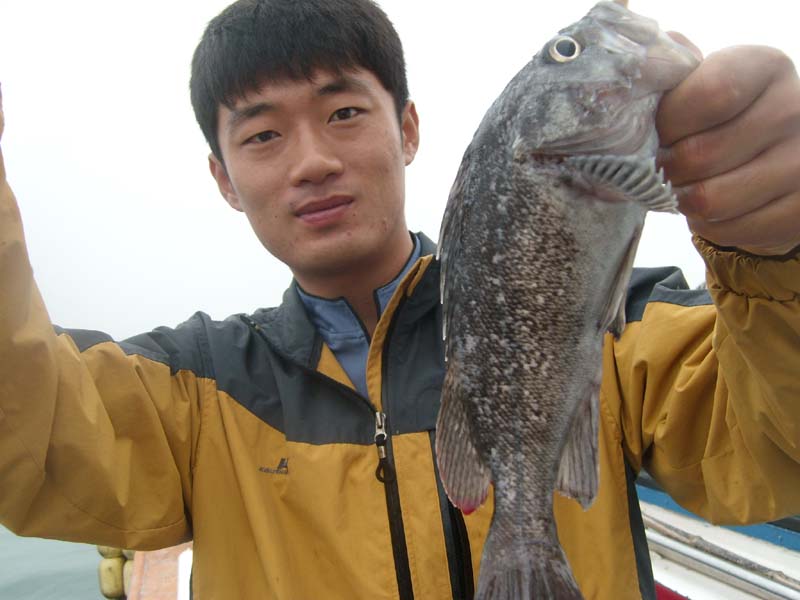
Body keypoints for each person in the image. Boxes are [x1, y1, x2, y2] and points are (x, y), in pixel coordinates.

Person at [0, 0, 798, 598]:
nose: (312, 161)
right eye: (263, 134)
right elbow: (32, 441)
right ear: (225, 180)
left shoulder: (626, 324)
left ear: (408, 130)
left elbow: (774, 453)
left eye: (344, 112)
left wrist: (776, 256)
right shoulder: (191, 392)